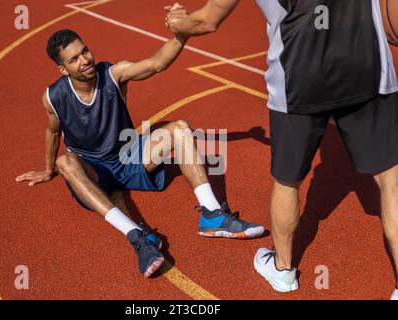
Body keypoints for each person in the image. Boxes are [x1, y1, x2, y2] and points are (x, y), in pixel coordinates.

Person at [165, 0, 398, 299]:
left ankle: (283, 269)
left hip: (299, 75)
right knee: (391, 182)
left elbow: (207, 21)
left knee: (288, 181)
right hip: (366, 64)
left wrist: (177, 23)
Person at [15, 25, 265, 278]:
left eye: (85, 51)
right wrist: (48, 170)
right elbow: (53, 132)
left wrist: (184, 33)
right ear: (63, 69)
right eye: (74, 59)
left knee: (180, 129)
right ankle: (137, 236)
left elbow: (156, 64)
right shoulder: (53, 96)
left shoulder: (114, 74)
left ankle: (212, 215)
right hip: (93, 171)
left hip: (127, 156)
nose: (85, 60)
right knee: (65, 163)